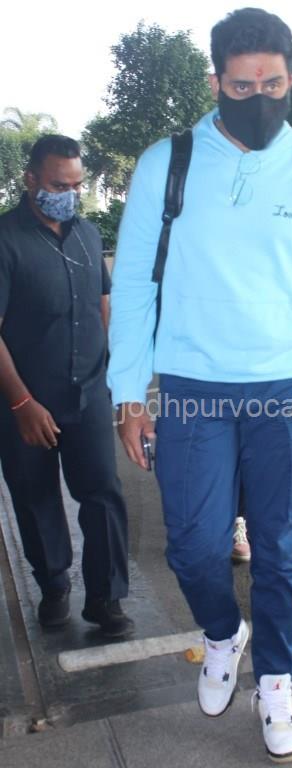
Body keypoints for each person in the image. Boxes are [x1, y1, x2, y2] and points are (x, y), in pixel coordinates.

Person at [108, 9, 292, 763]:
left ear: (290, 80)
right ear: (216, 82)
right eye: (242, 86)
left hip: (284, 390)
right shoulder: (166, 164)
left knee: (278, 548)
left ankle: (276, 679)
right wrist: (128, 394)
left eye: (272, 84)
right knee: (192, 547)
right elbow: (136, 287)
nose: (259, 98)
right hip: (192, 388)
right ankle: (222, 633)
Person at [0, 135, 133, 638]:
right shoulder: (6, 240)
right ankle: (53, 585)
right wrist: (21, 402)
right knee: (35, 495)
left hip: (89, 391)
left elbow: (102, 304)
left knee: (103, 493)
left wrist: (114, 376)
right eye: (60, 186)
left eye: (77, 186)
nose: (70, 195)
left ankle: (105, 598)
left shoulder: (87, 235)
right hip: (27, 401)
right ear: (31, 179)